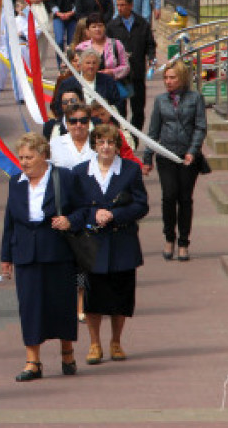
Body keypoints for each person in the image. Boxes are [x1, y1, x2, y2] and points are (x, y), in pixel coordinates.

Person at [0, 133, 83, 382]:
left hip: (58, 251)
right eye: (21, 157)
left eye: (29, 157)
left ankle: (67, 353)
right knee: (30, 307)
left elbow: (83, 209)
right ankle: (32, 361)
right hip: (26, 253)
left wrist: (70, 220)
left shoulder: (64, 178)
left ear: (43, 155)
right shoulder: (16, 182)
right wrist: (6, 256)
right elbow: (9, 221)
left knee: (61, 304)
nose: (24, 162)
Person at [73, 123, 149, 365]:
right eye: (101, 142)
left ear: (118, 146)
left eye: (111, 143)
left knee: (121, 296)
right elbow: (74, 207)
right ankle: (94, 344)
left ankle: (116, 341)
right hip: (92, 243)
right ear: (94, 144)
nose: (106, 147)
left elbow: (141, 205)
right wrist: (93, 214)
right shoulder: (79, 172)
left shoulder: (130, 170)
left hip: (121, 242)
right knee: (93, 298)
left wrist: (115, 215)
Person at [142, 61, 207, 262]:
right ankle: (169, 237)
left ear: (182, 78)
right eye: (166, 78)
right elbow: (153, 131)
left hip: (188, 157)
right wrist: (147, 158)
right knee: (169, 196)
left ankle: (184, 242)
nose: (168, 81)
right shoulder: (161, 100)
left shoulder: (195, 98)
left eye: (173, 77)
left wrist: (192, 151)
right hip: (166, 155)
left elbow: (200, 127)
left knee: (185, 198)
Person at [107, 0, 157, 131]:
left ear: (131, 5)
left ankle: (134, 137)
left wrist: (151, 57)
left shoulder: (142, 24)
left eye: (123, 5)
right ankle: (122, 137)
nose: (120, 8)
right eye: (118, 5)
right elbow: (108, 48)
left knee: (138, 110)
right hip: (120, 77)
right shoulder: (112, 26)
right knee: (119, 110)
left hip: (137, 74)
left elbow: (150, 44)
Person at [52, 48, 121, 118]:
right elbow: (58, 106)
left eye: (94, 63)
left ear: (98, 65)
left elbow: (117, 104)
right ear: (81, 64)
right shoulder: (68, 83)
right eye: (88, 63)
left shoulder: (108, 81)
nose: (91, 66)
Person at [76, 14, 130, 83]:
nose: (97, 29)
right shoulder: (81, 48)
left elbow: (126, 66)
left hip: (112, 85)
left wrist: (112, 72)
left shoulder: (116, 44)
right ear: (88, 30)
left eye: (100, 26)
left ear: (105, 27)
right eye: (94, 27)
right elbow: (76, 67)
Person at [51, 103, 96, 169]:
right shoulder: (54, 144)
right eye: (73, 121)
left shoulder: (99, 142)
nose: (78, 125)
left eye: (83, 121)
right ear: (66, 123)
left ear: (89, 122)